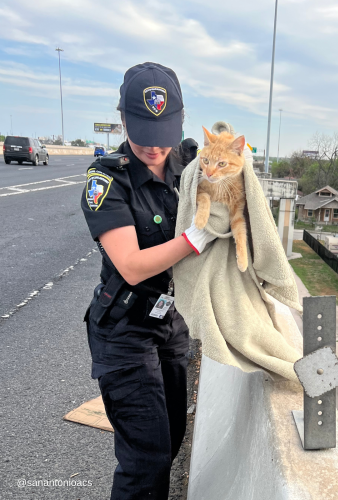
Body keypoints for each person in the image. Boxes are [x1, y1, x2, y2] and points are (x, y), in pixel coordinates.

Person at [81, 62, 217, 500]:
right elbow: (133, 265)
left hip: (169, 321)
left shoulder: (188, 164)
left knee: (172, 436)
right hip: (123, 329)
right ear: (123, 119)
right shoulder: (106, 180)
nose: (154, 148)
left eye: (164, 135)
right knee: (146, 460)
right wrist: (196, 239)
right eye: (142, 134)